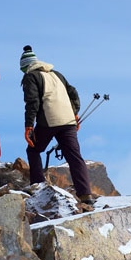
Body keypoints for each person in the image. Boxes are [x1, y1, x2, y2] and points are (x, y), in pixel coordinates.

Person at [19, 45, 94, 205]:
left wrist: (29, 125)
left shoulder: (31, 77)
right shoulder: (56, 74)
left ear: (25, 67)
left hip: (49, 120)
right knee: (74, 157)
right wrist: (74, 114)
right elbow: (73, 93)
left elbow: (32, 102)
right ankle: (85, 195)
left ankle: (38, 186)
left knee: (33, 149)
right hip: (68, 121)